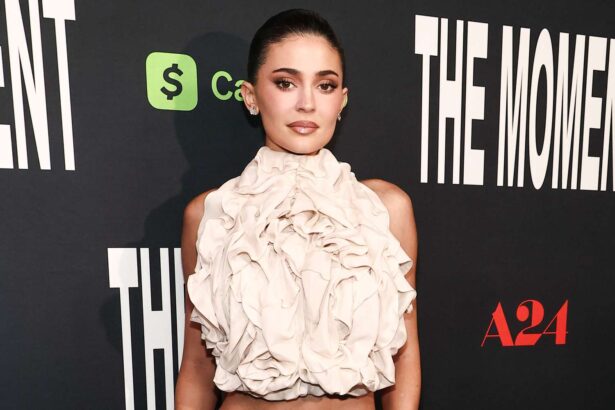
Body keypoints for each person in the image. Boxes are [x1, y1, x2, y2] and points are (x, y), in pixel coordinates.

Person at [175, 8, 420, 410]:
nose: (307, 103)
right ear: (250, 96)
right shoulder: (210, 215)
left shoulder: (384, 209)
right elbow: (197, 367)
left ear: (342, 101)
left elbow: (405, 353)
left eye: (325, 86)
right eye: (286, 83)